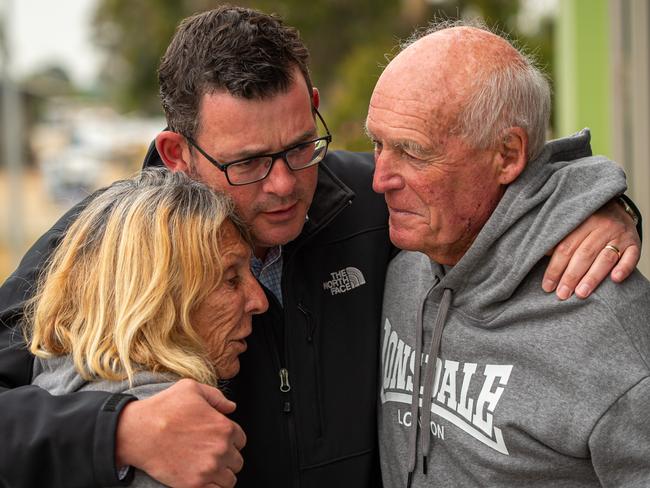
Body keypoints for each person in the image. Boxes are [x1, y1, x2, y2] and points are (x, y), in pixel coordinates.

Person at [0, 6, 642, 488]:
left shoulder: (380, 200)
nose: (284, 184)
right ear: (176, 154)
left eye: (299, 146)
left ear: (311, 108)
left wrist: (596, 208)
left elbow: (488, 179)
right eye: (248, 162)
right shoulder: (105, 248)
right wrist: (115, 431)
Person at [371, 22, 650, 487]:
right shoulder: (404, 264)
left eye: (413, 152)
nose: (379, 179)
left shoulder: (609, 329)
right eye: (377, 144)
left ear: (507, 155)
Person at [26, 168, 267, 487]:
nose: (259, 300)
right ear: (157, 299)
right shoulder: (174, 440)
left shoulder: (53, 384)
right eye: (231, 279)